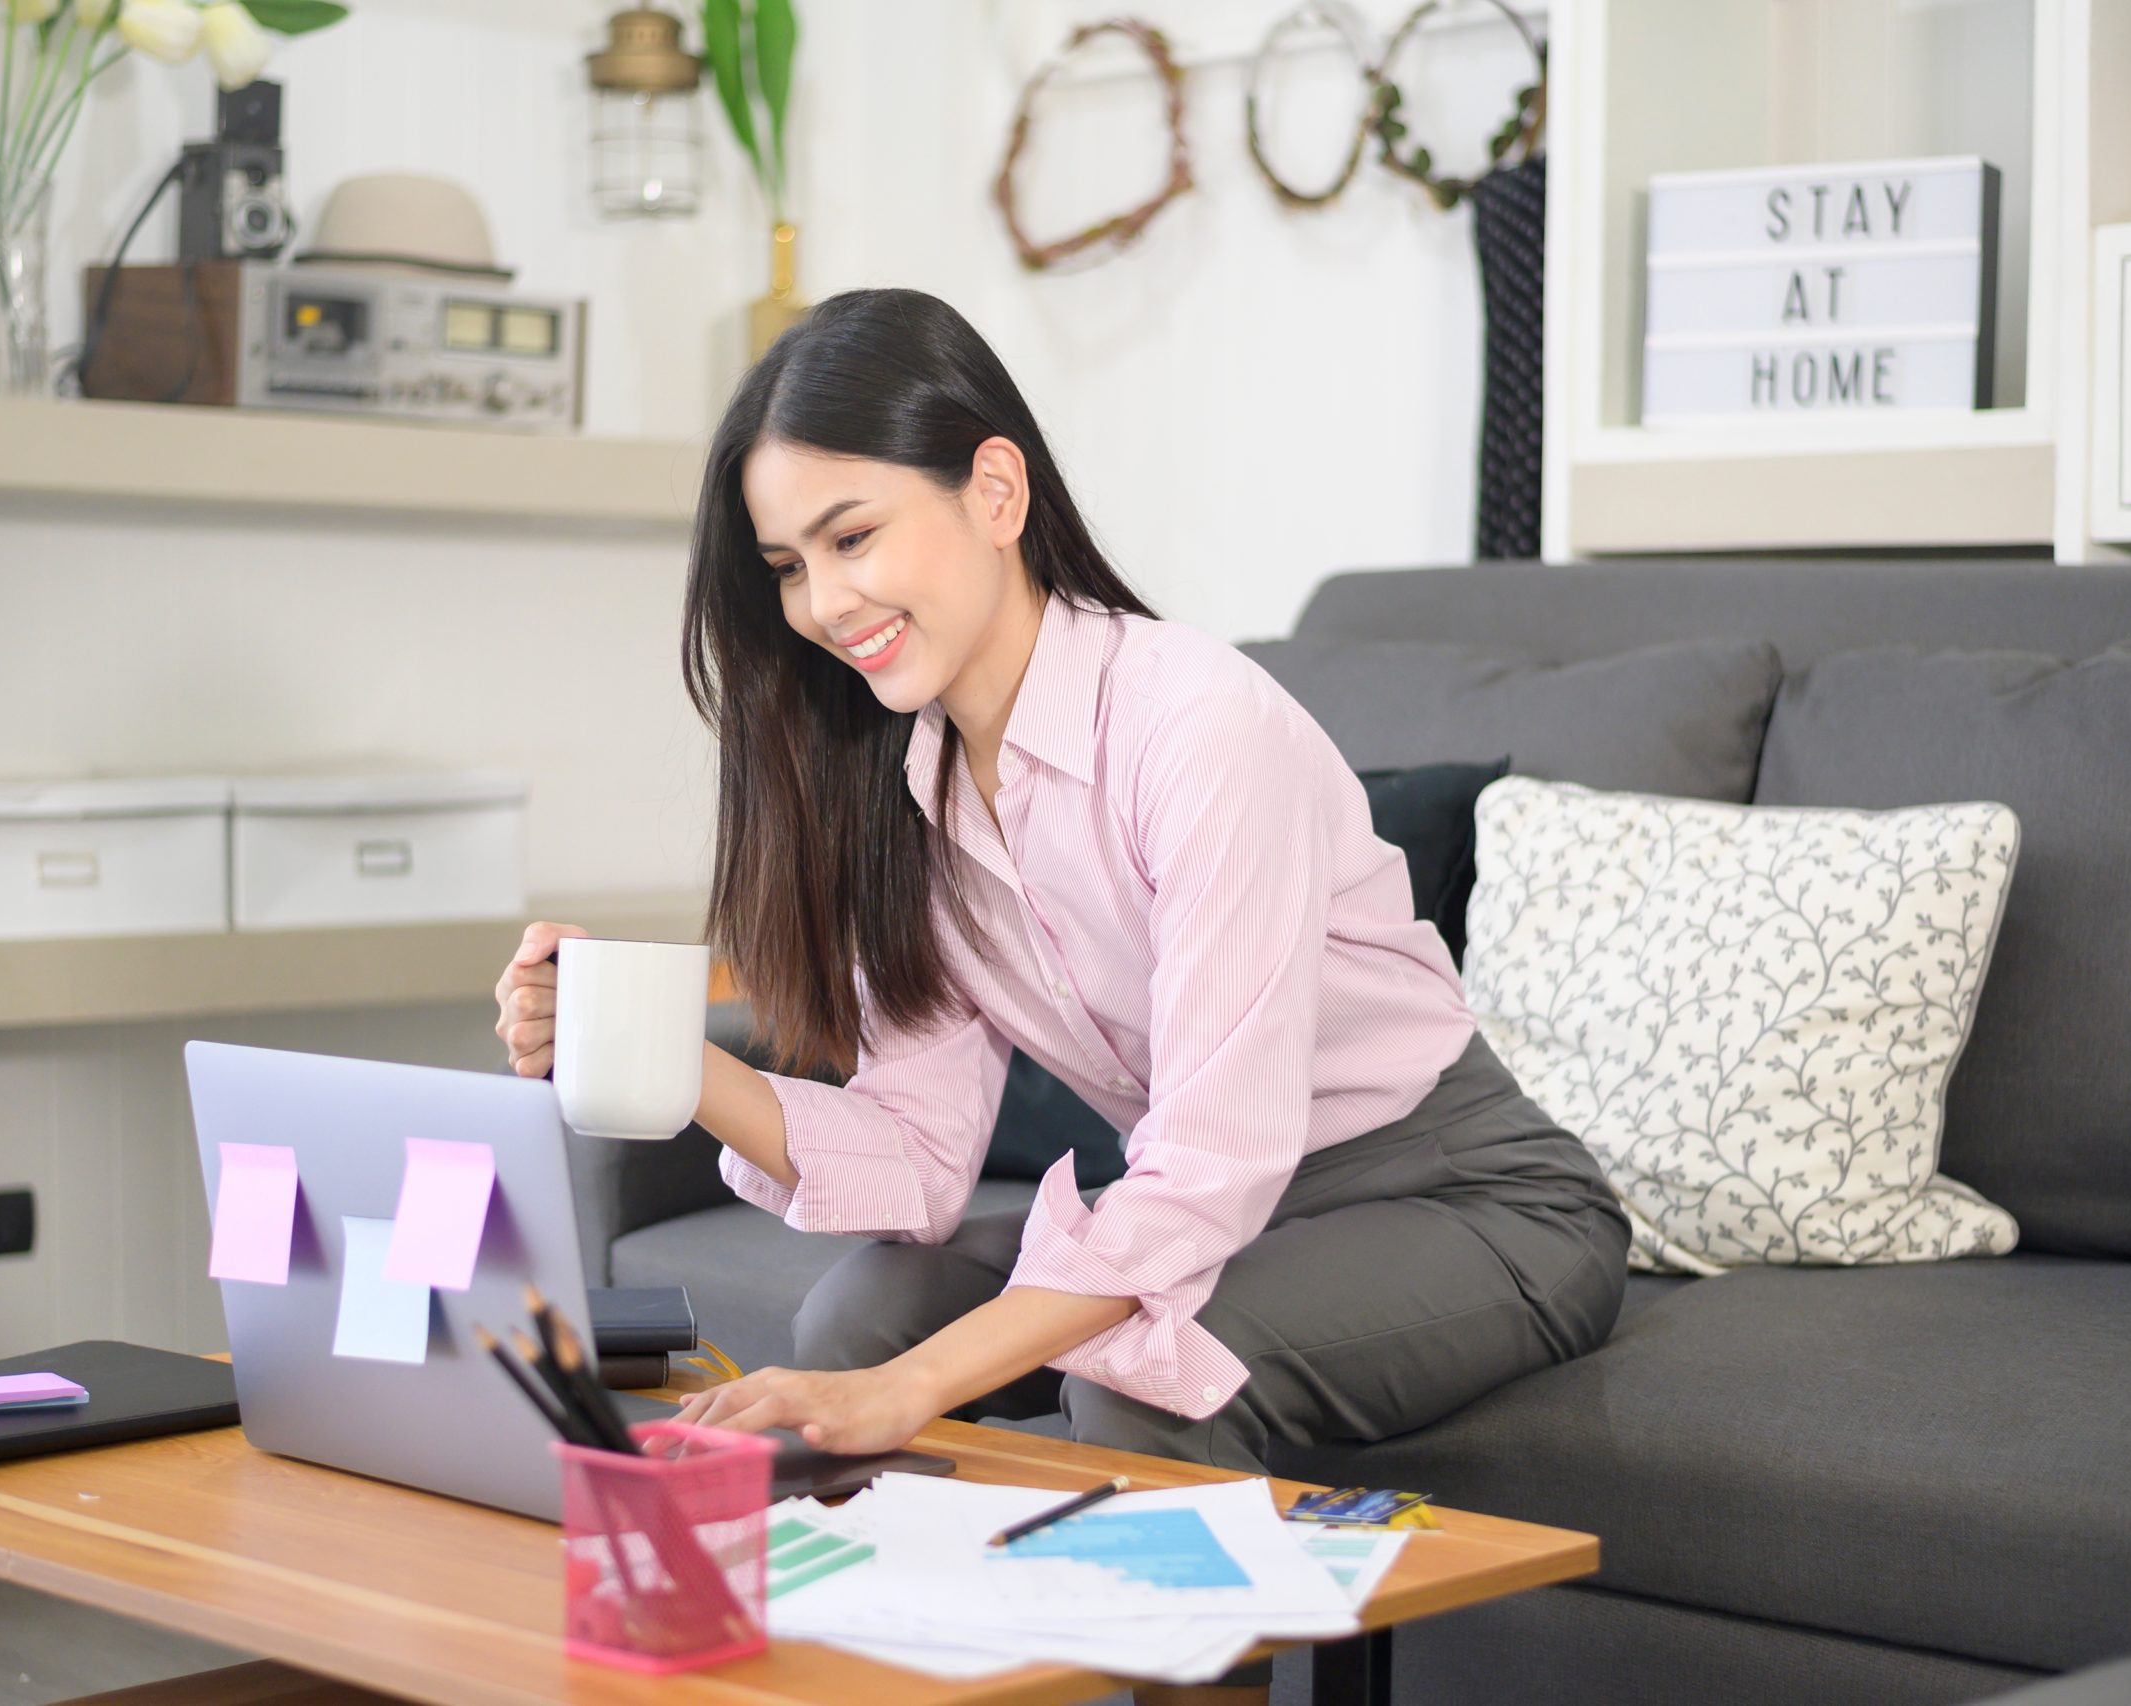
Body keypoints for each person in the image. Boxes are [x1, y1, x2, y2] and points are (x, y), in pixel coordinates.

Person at [494, 286, 1628, 1702]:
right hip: (1238, 1199)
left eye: (853, 537)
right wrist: (656, 1048)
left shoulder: (1195, 728)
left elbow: (1205, 1169)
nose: (822, 603)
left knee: (1130, 1363)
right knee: (861, 1316)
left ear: (994, 491)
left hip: (1468, 1195)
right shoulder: (905, 789)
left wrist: (910, 1392)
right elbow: (917, 1157)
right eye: (788, 564)